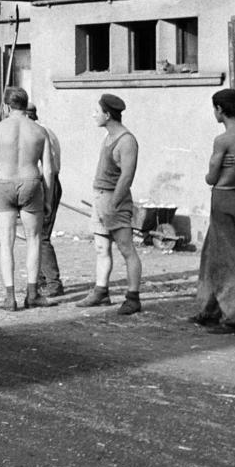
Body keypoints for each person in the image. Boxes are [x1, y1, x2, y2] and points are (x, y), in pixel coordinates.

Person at [0, 87, 53, 311]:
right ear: (25, 104)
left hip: (4, 182)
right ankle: (32, 294)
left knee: (6, 242)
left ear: (6, 106)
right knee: (34, 240)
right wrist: (48, 199)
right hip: (31, 183)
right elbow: (48, 170)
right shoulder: (40, 131)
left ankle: (10, 298)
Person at [192, 88, 235, 334]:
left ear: (219, 109)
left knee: (228, 258)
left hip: (223, 196)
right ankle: (209, 309)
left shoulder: (223, 140)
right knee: (212, 253)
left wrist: (213, 170)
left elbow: (211, 177)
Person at [79, 93, 143, 315]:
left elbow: (127, 176)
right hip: (100, 198)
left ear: (107, 115)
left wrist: (114, 203)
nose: (93, 115)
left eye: (96, 112)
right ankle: (101, 292)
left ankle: (133, 298)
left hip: (114, 200)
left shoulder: (126, 141)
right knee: (101, 248)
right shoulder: (108, 137)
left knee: (126, 249)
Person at [25, 104, 64, 299]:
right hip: (52, 183)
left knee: (41, 236)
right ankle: (40, 280)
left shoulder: (37, 134)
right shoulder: (48, 130)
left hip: (44, 184)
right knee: (36, 236)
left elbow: (44, 168)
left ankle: (53, 282)